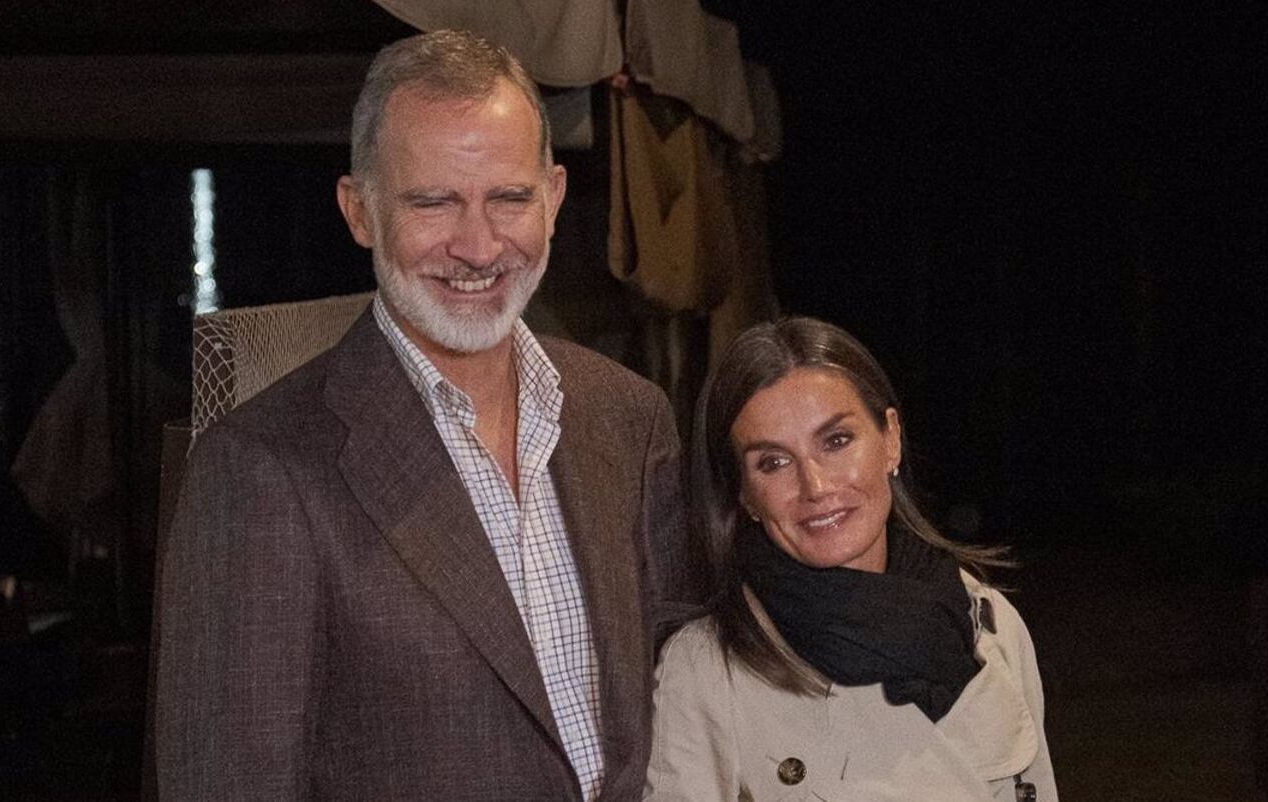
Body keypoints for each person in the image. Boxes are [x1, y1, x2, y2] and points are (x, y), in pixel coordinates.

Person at [155, 30, 690, 801]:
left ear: (554, 198)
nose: (478, 247)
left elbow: (679, 707)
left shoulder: (628, 416)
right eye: (433, 202)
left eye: (508, 198)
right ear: (360, 211)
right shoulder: (259, 469)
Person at [643, 317, 1057, 801]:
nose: (815, 487)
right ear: (745, 496)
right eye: (773, 463)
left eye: (836, 441)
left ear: (891, 439)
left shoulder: (990, 624)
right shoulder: (706, 672)